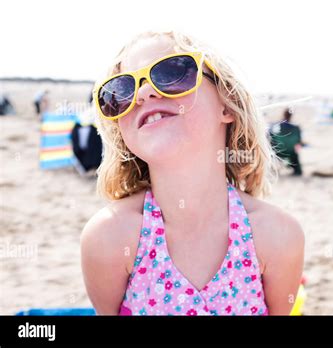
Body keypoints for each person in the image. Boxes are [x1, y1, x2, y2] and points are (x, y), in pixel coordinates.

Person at [80, 31, 304, 316]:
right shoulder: (110, 237)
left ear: (226, 105)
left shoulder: (277, 236)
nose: (143, 93)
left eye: (172, 72)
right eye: (121, 91)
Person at [269, 108, 304, 176]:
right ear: (291, 116)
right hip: (291, 152)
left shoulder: (278, 125)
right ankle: (296, 170)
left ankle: (275, 168)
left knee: (273, 146)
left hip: (279, 151)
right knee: (295, 154)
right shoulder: (296, 127)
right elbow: (299, 141)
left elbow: (272, 136)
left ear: (284, 114)